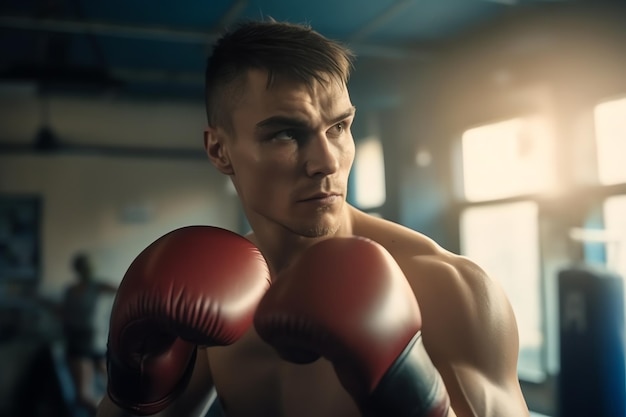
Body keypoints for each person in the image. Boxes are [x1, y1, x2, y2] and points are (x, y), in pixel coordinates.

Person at [97, 19, 530, 417]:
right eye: (287, 133)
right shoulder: (210, 299)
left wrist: (413, 395)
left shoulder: (447, 288)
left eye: (339, 127)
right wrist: (130, 384)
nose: (326, 161)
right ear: (219, 151)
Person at [63, 252, 117, 414]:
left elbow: (124, 288)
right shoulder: (71, 290)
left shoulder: (99, 286)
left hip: (97, 344)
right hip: (78, 344)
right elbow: (65, 313)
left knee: (114, 391)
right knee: (83, 395)